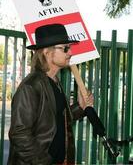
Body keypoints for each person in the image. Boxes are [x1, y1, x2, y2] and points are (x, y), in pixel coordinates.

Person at [7, 23, 94, 165]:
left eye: (69, 48)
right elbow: (19, 134)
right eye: (65, 48)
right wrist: (43, 162)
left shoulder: (54, 82)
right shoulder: (31, 86)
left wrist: (81, 107)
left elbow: (55, 121)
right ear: (47, 52)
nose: (70, 53)